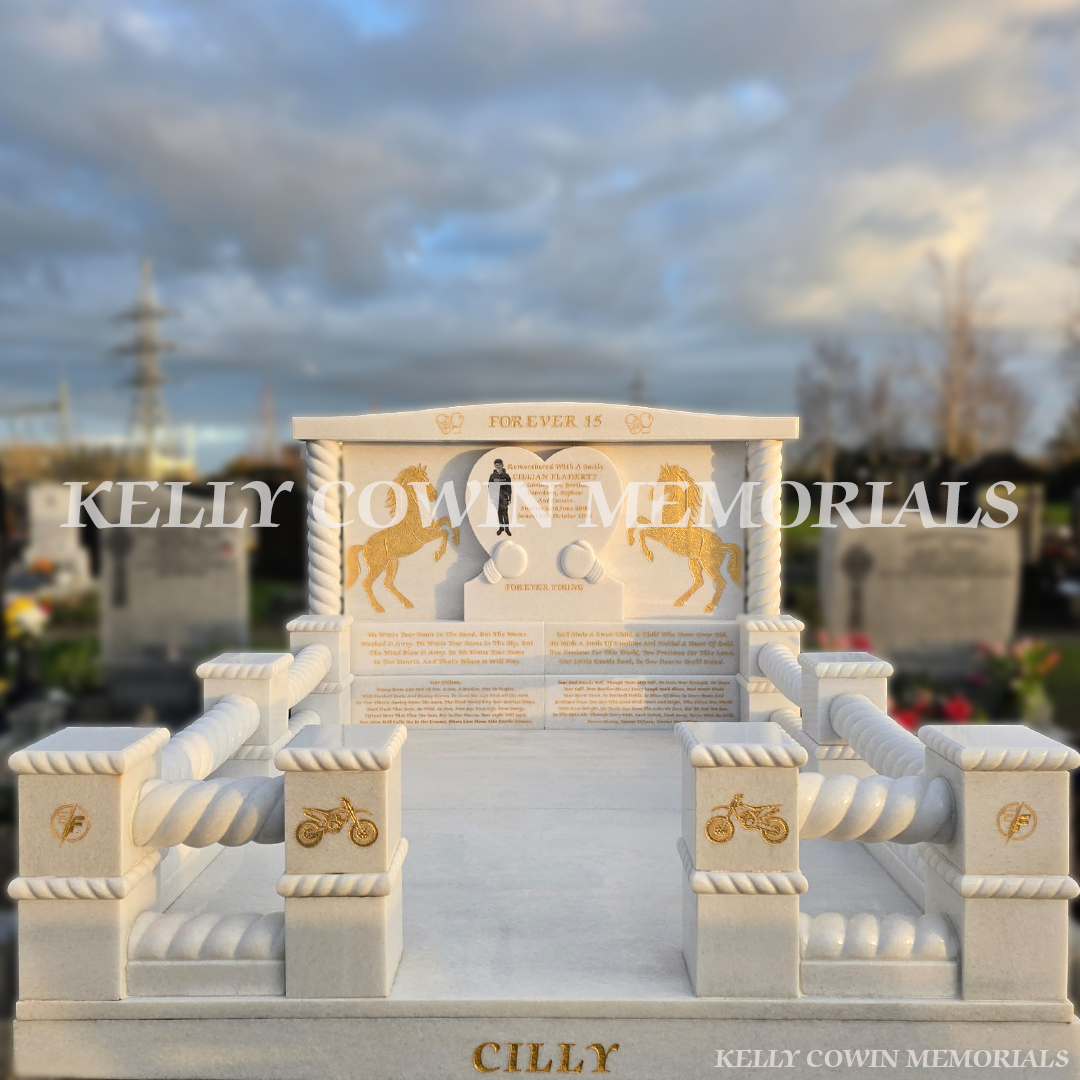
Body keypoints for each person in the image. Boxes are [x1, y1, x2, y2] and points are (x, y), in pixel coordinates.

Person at [489, 458, 513, 536]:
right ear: (494, 466)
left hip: (504, 497)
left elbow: (509, 487)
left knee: (505, 513)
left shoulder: (506, 476)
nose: (498, 466)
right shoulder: (492, 476)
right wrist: (491, 497)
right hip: (496, 497)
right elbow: (490, 487)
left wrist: (509, 498)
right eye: (496, 465)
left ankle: (507, 529)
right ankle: (501, 528)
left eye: (499, 465)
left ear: (502, 465)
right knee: (499, 513)